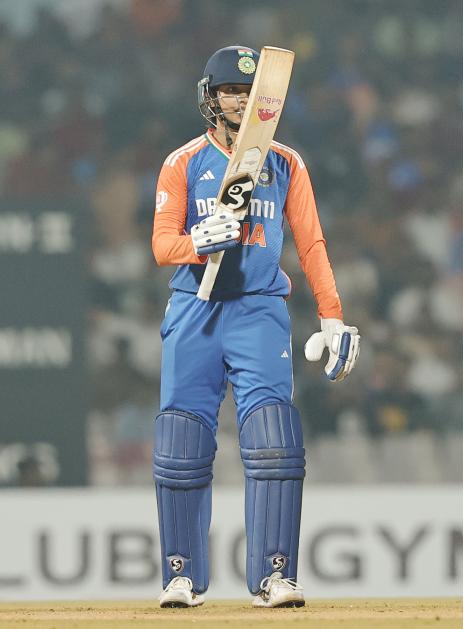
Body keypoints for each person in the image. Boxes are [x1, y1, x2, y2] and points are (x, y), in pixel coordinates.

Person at [152, 45, 360, 608]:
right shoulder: (184, 161)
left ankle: (274, 575)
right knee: (182, 442)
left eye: (250, 93)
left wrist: (332, 315)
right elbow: (162, 245)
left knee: (274, 439)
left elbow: (311, 243)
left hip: (259, 310)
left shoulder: (287, 163)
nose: (241, 102)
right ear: (210, 98)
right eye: (230, 92)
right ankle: (180, 575)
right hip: (194, 307)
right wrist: (198, 242)